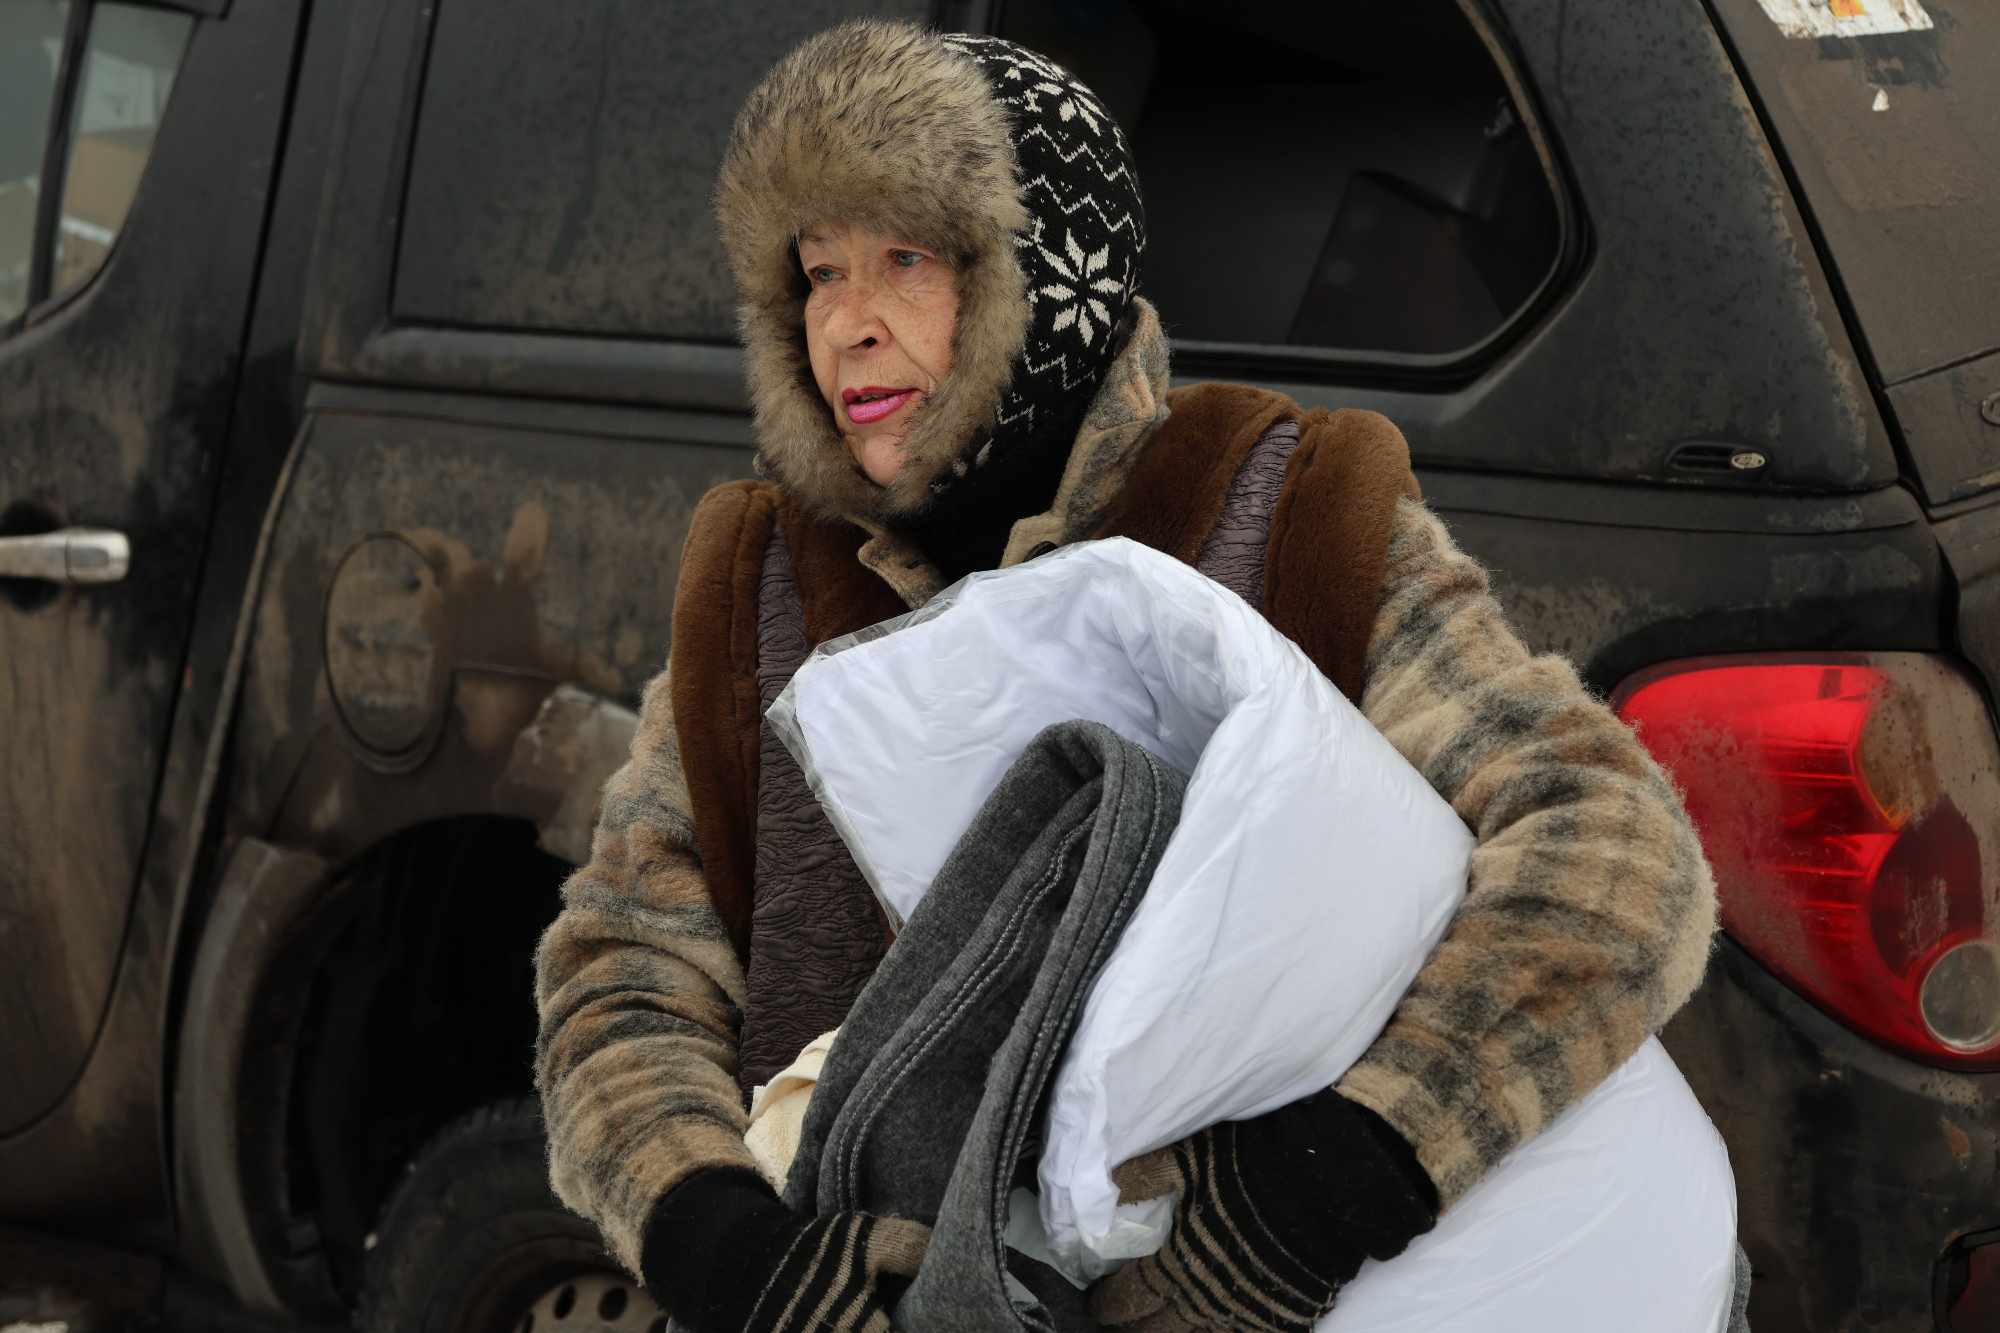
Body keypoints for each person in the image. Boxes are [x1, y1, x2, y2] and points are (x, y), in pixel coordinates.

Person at [533, 20, 1719, 1333]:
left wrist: (1315, 1195)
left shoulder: (1289, 517)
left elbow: (1614, 857)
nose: (847, 327)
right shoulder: (762, 585)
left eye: (906, 260)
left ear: (1039, 275)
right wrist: (735, 1252)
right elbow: (622, 975)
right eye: (818, 275)